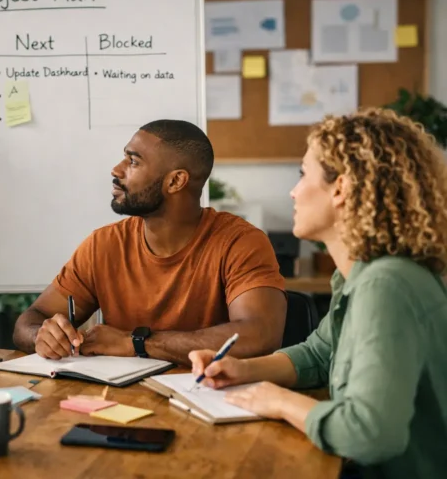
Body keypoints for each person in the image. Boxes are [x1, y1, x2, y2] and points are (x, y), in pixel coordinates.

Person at [189, 108, 447, 478]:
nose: (293, 192)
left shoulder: (386, 285)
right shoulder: (360, 274)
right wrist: (243, 369)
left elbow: (370, 433)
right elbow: (322, 353)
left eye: (302, 175)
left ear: (340, 188)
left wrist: (278, 401)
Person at [13, 119, 287, 365]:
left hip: (205, 402)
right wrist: (43, 335)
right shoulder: (104, 244)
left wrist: (137, 343)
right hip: (117, 406)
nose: (116, 169)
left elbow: (260, 335)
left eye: (133, 162)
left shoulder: (240, 242)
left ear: (176, 181)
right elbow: (31, 319)